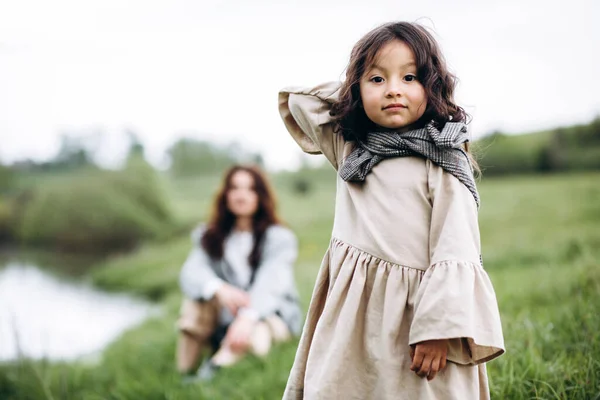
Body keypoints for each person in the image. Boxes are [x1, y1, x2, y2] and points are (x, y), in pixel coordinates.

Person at [277, 22, 505, 399]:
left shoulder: (445, 160)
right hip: (354, 311)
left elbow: (457, 248)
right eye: (378, 79)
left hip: (420, 313)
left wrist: (438, 330)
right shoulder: (352, 145)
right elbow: (302, 102)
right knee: (347, 385)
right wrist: (354, 95)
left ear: (432, 86)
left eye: (410, 76)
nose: (394, 89)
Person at [176, 165, 302, 381]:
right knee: (193, 305)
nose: (241, 195)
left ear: (260, 196)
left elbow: (271, 283)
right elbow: (191, 272)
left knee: (256, 339)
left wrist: (248, 316)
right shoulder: (210, 236)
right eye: (235, 188)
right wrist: (219, 288)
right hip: (227, 314)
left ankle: (211, 371)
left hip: (269, 314)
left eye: (250, 189)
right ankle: (185, 371)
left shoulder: (279, 238)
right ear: (225, 194)